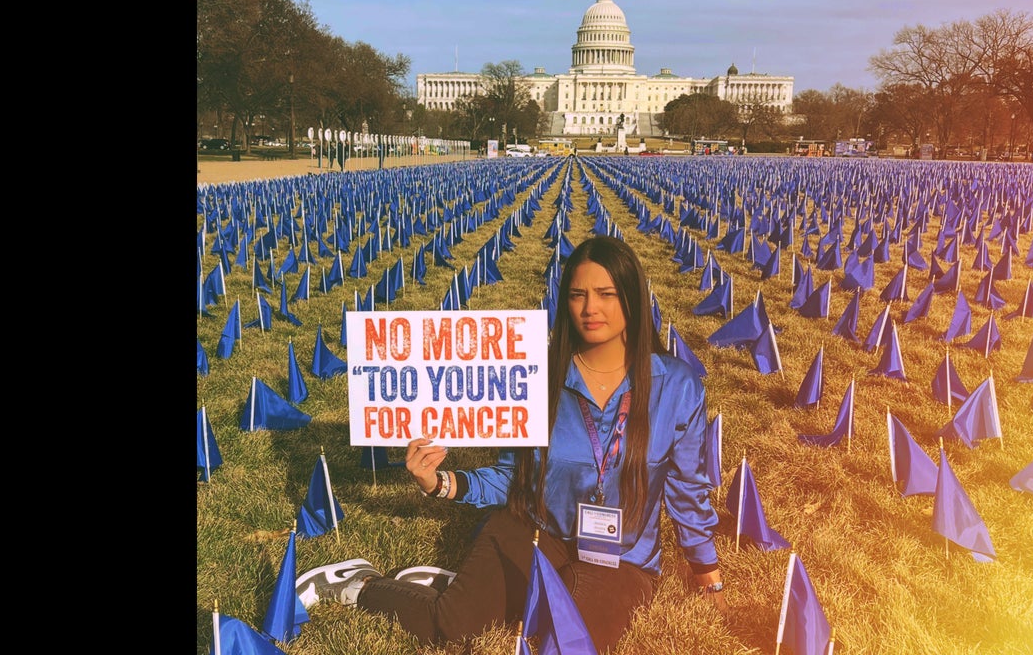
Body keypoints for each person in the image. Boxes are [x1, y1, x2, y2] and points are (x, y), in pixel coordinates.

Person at [296, 236, 725, 652]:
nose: (590, 308)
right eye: (577, 295)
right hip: (536, 532)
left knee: (565, 641)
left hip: (622, 558)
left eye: (606, 294)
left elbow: (687, 489)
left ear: (631, 297)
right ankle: (363, 585)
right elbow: (510, 478)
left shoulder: (677, 387)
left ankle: (473, 587)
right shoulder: (538, 380)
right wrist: (440, 482)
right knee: (452, 624)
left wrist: (707, 571)